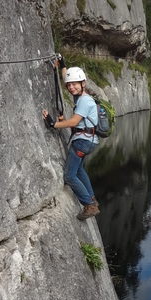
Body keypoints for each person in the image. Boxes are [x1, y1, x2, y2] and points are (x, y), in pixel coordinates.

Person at [43, 63, 100, 220]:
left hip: (83, 141)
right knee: (80, 170)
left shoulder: (84, 101)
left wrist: (53, 124)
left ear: (83, 83)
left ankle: (90, 205)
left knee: (69, 175)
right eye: (69, 85)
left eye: (75, 84)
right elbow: (67, 78)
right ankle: (92, 198)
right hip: (89, 140)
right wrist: (62, 65)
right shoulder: (81, 95)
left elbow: (74, 122)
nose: (71, 87)